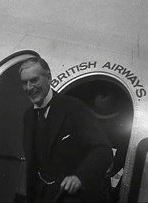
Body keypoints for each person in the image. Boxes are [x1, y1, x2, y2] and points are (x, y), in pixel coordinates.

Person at [19, 57, 113, 202]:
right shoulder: (28, 117)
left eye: (34, 80)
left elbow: (103, 150)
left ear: (49, 78)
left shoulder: (74, 108)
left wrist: (79, 177)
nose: (29, 87)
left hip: (73, 198)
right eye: (25, 83)